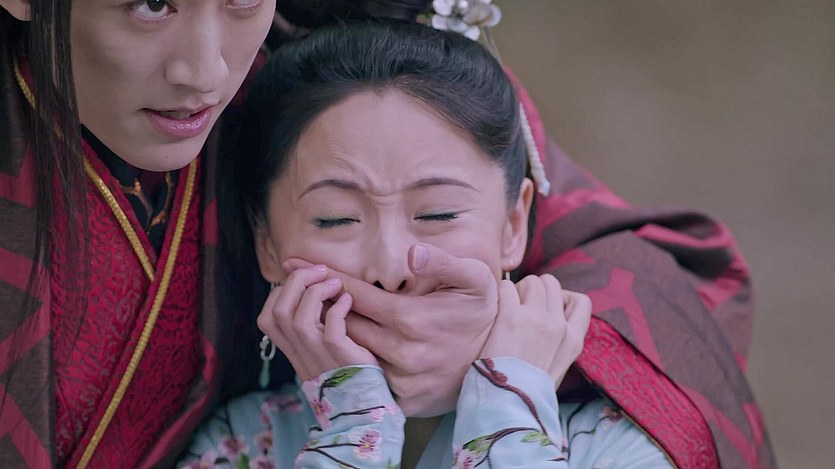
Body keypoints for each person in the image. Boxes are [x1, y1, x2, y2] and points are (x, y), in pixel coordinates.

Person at [0, 1, 774, 468]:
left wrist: (499, 353)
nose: (205, 73)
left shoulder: (346, 67)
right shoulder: (244, 443)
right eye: (149, 4)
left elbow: (659, 280)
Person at [182, 21, 675, 468]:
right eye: (336, 219)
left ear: (513, 224)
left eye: (438, 214)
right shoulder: (239, 443)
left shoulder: (617, 443)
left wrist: (504, 420)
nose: (391, 267)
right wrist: (354, 429)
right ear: (267, 243)